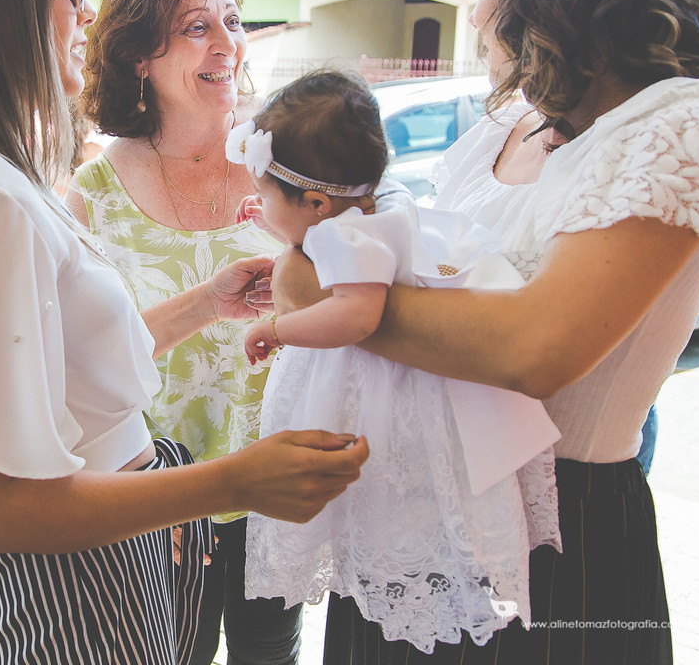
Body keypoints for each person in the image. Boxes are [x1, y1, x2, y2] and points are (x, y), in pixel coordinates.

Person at [0, 0, 370, 665]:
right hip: (72, 583)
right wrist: (232, 484)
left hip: (89, 556)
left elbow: (62, 367)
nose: (86, 13)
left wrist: (202, 303)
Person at [269, 0, 699, 662]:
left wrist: (329, 293)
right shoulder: (508, 127)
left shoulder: (688, 123)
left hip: (560, 531)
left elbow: (536, 348)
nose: (481, 10)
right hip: (416, 516)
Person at [230, 69, 559, 653]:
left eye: (267, 197)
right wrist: (271, 219)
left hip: (392, 399)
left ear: (315, 202)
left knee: (385, 509)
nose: (259, 204)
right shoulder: (374, 206)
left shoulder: (345, 239)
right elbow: (313, 230)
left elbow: (358, 317)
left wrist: (277, 327)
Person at [67, 0, 292, 665]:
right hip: (160, 507)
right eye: (198, 27)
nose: (227, 44)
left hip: (274, 491)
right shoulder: (91, 197)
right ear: (138, 56)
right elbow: (83, 369)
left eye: (232, 20)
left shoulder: (287, 162)